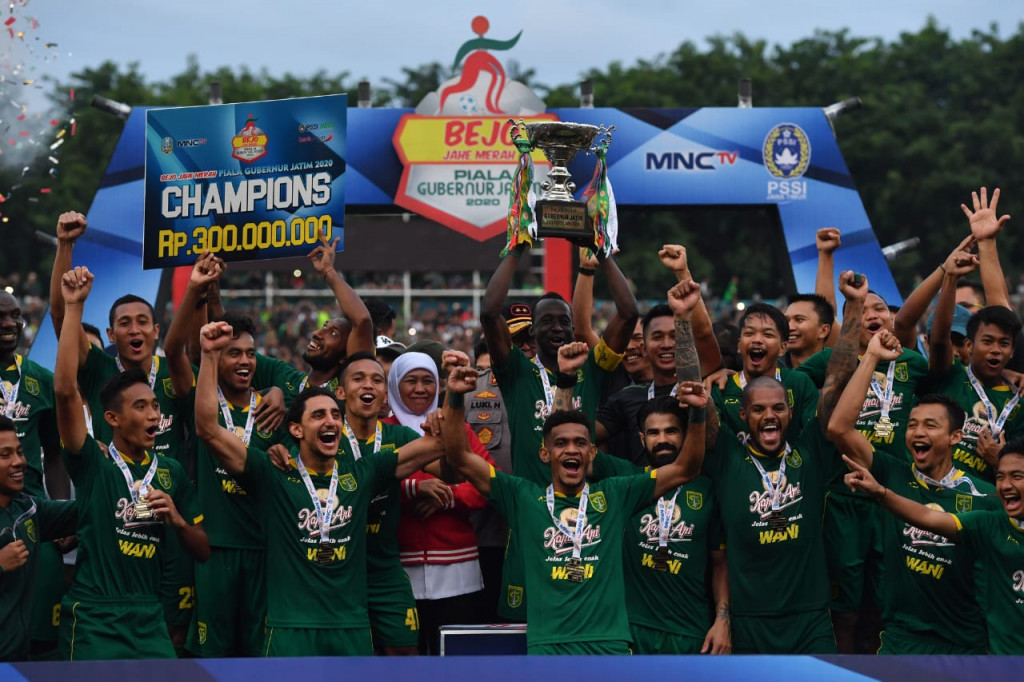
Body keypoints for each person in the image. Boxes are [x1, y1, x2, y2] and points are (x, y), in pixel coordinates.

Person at [439, 327, 708, 654]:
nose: (571, 450)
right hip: (548, 648)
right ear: (546, 453)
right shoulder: (522, 496)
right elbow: (459, 457)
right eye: (561, 443)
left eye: (581, 442)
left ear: (592, 452)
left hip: (609, 648)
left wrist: (696, 412)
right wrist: (453, 397)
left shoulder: (615, 494)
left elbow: (685, 468)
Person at [194, 323, 442, 657]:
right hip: (290, 627)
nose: (330, 422)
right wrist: (209, 356)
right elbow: (208, 428)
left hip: (350, 626)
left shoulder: (363, 472)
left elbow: (437, 446)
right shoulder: (272, 473)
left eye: (336, 416)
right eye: (319, 415)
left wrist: (451, 397)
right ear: (295, 428)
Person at [54, 266, 209, 660]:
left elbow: (205, 550)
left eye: (156, 406)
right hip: (94, 615)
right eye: (140, 407)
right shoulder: (95, 463)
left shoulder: (171, 473)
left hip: (148, 615)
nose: (154, 415)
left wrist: (176, 519)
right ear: (112, 419)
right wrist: (74, 305)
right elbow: (65, 391)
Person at [479, 244, 638, 619]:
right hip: (531, 510)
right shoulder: (516, 371)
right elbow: (489, 312)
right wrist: (517, 249)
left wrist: (604, 251)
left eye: (564, 322)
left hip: (585, 514)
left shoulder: (593, 368)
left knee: (581, 613)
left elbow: (629, 313)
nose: (557, 328)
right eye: (547, 321)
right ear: (532, 330)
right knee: (522, 625)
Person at [827, 328, 1002, 654]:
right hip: (900, 640)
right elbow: (839, 427)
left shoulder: (987, 496)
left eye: (931, 426)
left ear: (954, 437)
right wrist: (873, 357)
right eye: (912, 425)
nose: (918, 432)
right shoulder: (893, 473)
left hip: (965, 646)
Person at [843, 441, 1024, 655]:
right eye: (1000, 476)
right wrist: (881, 492)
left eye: (1017, 476)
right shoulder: (989, 525)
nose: (1004, 485)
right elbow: (927, 516)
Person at [388, 351, 495, 654]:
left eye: (428, 381)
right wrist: (414, 488)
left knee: (456, 665)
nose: (420, 389)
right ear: (395, 385)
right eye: (411, 381)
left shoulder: (456, 428)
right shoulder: (382, 431)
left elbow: (489, 483)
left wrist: (447, 497)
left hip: (459, 574)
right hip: (398, 573)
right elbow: (365, 484)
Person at [622, 396, 730, 655]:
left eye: (671, 431)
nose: (662, 440)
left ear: (686, 435)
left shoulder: (707, 489)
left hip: (690, 632)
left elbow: (720, 564)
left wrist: (723, 620)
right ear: (641, 438)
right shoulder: (624, 482)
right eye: (653, 432)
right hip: (632, 631)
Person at [929, 263, 1024, 483]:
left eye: (1004, 344)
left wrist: (999, 458)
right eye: (987, 341)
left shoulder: (1018, 401)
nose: (995, 350)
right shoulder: (952, 375)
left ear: (1012, 352)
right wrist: (950, 278)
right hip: (931, 494)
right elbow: (939, 339)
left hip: (983, 502)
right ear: (969, 345)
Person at [0, 416, 77, 661]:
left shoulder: (28, 508)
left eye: (20, 452)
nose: (19, 462)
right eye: (5, 455)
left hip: (17, 660)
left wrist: (96, 465)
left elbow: (88, 510)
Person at [710, 302, 818, 441]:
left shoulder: (799, 383)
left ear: (783, 348)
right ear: (739, 345)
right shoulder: (720, 389)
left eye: (768, 334)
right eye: (749, 333)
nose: (757, 340)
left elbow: (816, 439)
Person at [596, 305, 683, 466]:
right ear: (645, 344)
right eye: (657, 337)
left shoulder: (704, 391)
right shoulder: (627, 397)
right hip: (646, 490)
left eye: (675, 336)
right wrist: (567, 379)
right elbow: (577, 434)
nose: (666, 344)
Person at [782, 294, 834, 369]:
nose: (789, 327)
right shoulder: (770, 368)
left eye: (799, 319)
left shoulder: (840, 367)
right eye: (786, 320)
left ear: (823, 331)